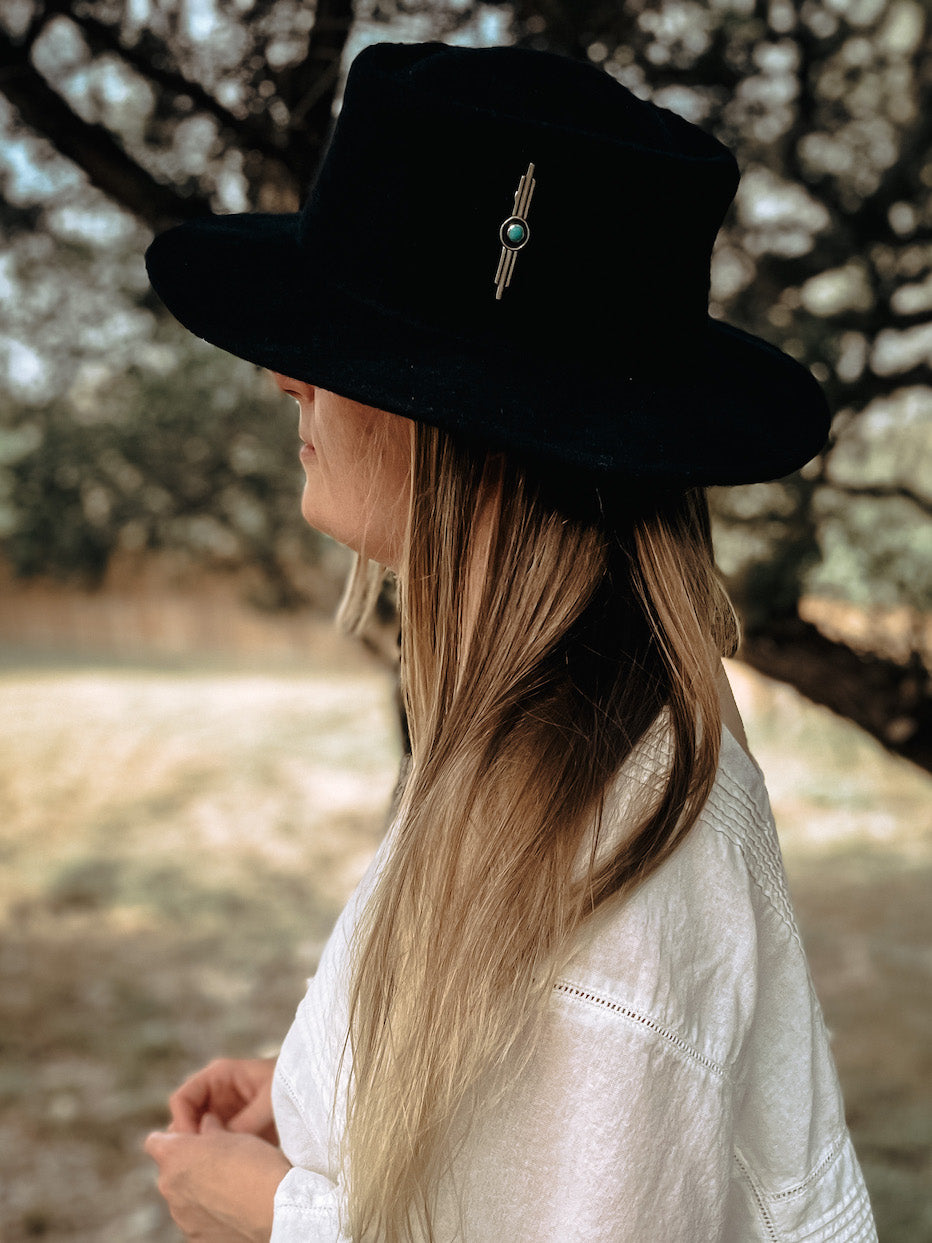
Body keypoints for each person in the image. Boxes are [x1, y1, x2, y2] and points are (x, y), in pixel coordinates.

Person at [142, 41, 877, 1243]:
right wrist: (326, 1094)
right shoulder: (552, 750)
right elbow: (541, 1122)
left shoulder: (601, 850)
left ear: (463, 421)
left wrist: (276, 1214)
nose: (284, 378)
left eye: (337, 347)